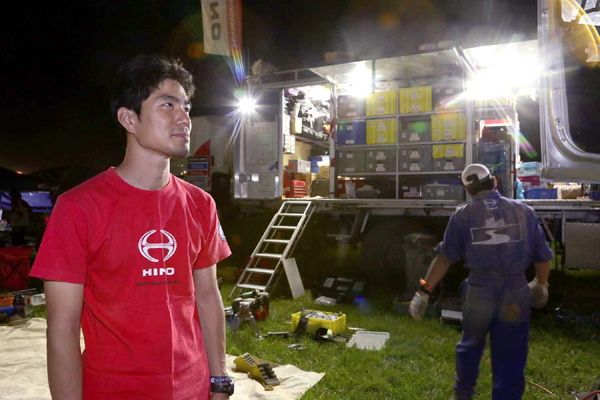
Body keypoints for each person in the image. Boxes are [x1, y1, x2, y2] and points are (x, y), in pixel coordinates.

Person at [29, 55, 233, 400]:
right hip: (113, 389)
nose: (184, 118)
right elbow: (61, 328)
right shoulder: (78, 207)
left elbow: (208, 297)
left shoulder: (201, 204)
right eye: (167, 105)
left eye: (186, 106)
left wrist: (219, 379)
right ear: (129, 118)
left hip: (192, 387)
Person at [409, 163, 553, 400]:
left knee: (470, 347)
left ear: (469, 190)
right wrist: (541, 284)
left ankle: (463, 395)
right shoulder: (524, 212)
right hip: (515, 293)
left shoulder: (462, 216)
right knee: (510, 355)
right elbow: (543, 256)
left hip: (479, 293)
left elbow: (444, 259)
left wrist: (423, 292)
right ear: (494, 181)